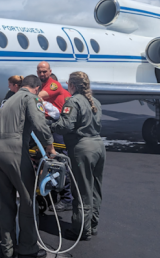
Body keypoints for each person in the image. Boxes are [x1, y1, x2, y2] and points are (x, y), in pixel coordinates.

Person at [0, 75, 56, 258]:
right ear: (36, 88)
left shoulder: (10, 99)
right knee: (28, 202)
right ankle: (28, 249)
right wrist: (50, 146)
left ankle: (7, 248)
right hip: (14, 152)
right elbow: (39, 123)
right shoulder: (31, 98)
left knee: (4, 202)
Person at [51, 71, 106, 241]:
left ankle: (81, 229)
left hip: (82, 148)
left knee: (82, 191)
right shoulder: (95, 102)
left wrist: (50, 124)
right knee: (95, 189)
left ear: (72, 85)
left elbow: (66, 125)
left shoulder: (73, 102)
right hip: (98, 146)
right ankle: (92, 224)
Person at [47, 73, 73, 212]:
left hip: (59, 136)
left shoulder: (64, 95)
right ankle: (54, 195)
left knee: (62, 165)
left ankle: (67, 199)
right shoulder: (48, 96)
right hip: (51, 134)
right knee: (51, 165)